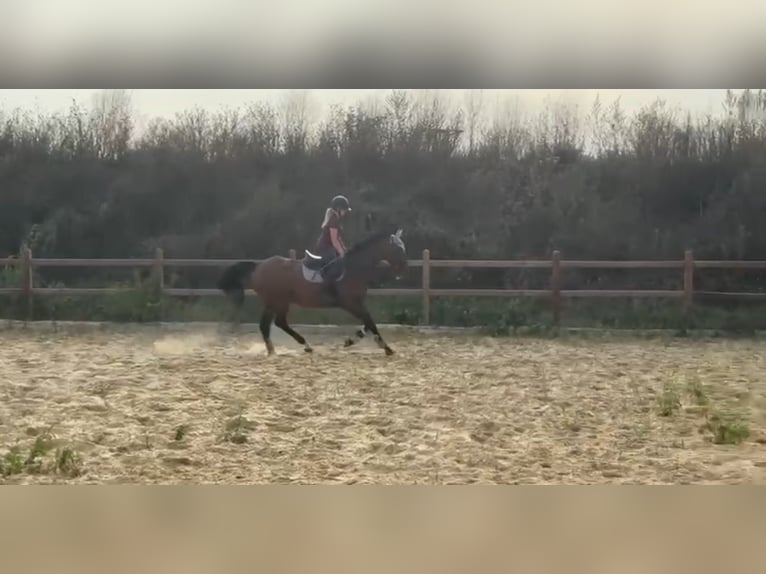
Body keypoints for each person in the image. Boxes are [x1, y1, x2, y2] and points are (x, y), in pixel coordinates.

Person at [315, 194, 351, 299]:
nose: (345, 213)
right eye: (344, 210)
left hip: (329, 247)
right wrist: (341, 252)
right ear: (339, 209)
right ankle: (324, 289)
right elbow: (334, 240)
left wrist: (344, 249)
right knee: (336, 266)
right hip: (325, 248)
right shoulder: (333, 220)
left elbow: (338, 239)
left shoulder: (336, 219)